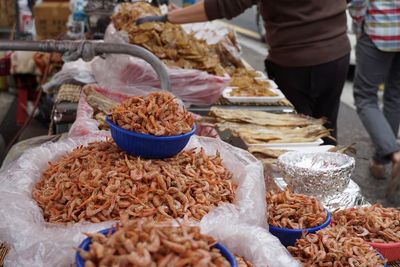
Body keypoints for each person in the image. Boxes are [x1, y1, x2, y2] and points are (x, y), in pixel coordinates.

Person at [136, 0, 351, 144]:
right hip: (337, 54)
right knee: (327, 129)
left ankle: (318, 197)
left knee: (298, 136)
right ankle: (335, 185)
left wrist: (169, 18)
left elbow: (225, 5)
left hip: (297, 60)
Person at [349, 0, 400, 197]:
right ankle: (380, 162)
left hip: (379, 29)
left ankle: (393, 153)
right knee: (394, 95)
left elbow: (357, 2)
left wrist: (359, 20)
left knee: (365, 96)